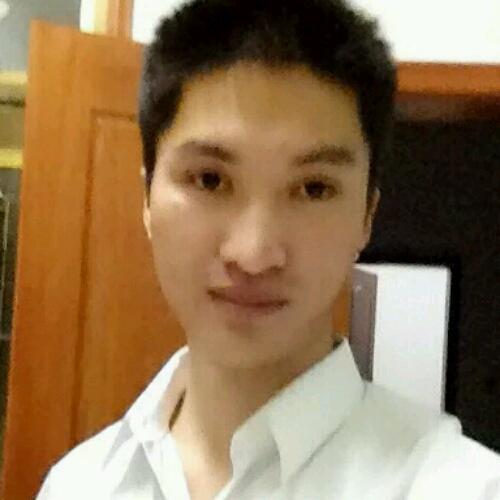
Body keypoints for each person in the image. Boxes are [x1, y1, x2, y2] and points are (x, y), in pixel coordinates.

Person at [37, 0, 500, 498]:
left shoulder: (462, 487)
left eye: (314, 188)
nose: (253, 253)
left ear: (367, 216)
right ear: (146, 198)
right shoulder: (78, 484)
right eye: (210, 179)